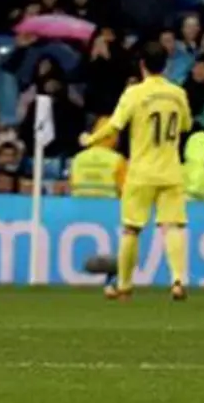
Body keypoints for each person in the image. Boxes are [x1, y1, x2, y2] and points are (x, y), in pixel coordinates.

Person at [80, 41, 192, 301]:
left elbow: (114, 125)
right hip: (171, 170)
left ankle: (124, 286)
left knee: (131, 229)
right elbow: (186, 125)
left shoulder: (135, 93)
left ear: (142, 65)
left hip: (141, 171)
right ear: (166, 65)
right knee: (173, 226)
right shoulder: (178, 93)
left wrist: (90, 139)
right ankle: (177, 280)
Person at [68, 116, 127, 199]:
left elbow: (71, 187)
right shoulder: (118, 160)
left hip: (80, 206)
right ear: (115, 137)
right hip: (109, 206)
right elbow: (127, 192)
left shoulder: (77, 158)